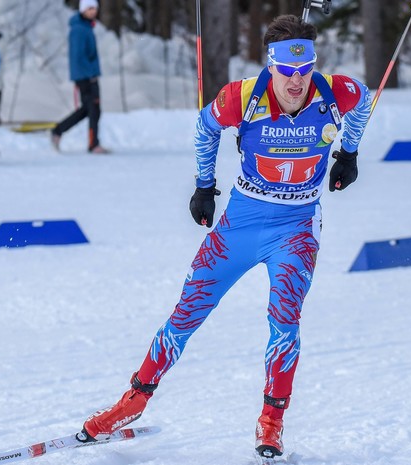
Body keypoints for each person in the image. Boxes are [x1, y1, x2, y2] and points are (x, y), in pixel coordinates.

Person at [76, 15, 372, 460]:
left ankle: (271, 423)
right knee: (186, 313)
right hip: (241, 224)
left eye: (304, 71)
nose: (296, 82)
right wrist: (203, 184)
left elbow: (365, 102)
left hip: (296, 230)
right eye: (286, 71)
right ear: (271, 66)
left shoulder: (335, 93)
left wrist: (348, 153)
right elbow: (205, 127)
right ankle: (132, 401)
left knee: (284, 322)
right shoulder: (243, 97)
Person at [50, 0, 108, 154]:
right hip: (86, 76)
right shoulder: (79, 30)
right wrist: (90, 75)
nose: (93, 11)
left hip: (88, 75)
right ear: (83, 9)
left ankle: (58, 130)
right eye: (89, 8)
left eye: (94, 8)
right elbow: (78, 56)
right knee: (93, 109)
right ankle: (93, 143)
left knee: (88, 109)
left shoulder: (86, 27)